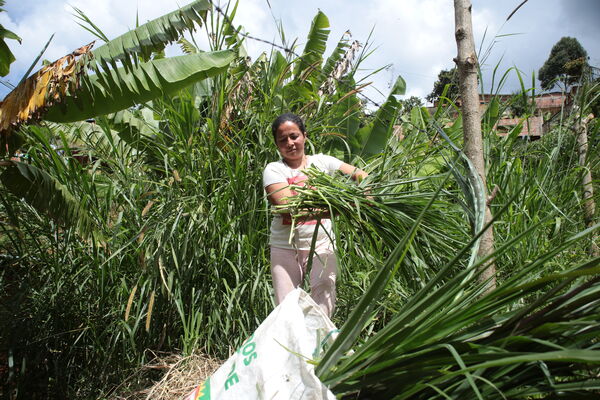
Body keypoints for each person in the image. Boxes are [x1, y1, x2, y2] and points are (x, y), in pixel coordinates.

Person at [263, 112, 368, 317]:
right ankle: (292, 348)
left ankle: (320, 347)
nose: (290, 143)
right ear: (276, 144)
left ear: (304, 135)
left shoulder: (322, 162)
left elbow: (360, 174)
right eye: (283, 140)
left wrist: (366, 191)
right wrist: (340, 209)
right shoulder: (274, 169)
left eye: (294, 136)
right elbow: (288, 209)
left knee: (324, 298)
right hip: (286, 247)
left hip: (322, 245)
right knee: (287, 308)